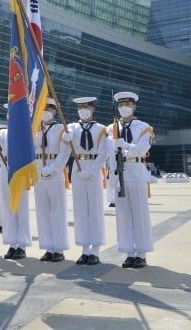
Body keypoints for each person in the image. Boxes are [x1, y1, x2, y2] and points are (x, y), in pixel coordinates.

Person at [108, 91, 155, 269]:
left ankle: (141, 253)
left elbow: (143, 148)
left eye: (127, 104)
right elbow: (108, 153)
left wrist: (126, 146)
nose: (124, 108)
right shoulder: (110, 128)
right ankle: (128, 252)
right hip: (119, 173)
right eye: (120, 105)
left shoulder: (143, 127)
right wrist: (112, 174)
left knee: (139, 213)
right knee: (123, 215)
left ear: (134, 106)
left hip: (136, 170)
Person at [62, 97, 109, 265]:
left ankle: (95, 249)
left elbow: (103, 153)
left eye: (86, 107)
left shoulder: (102, 129)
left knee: (94, 210)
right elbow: (65, 151)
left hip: (94, 170)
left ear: (93, 109)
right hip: (78, 168)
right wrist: (65, 139)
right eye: (80, 107)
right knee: (80, 211)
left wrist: (92, 170)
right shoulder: (71, 128)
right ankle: (84, 249)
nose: (83, 110)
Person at [34, 98, 71, 262]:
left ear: (55, 111)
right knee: (43, 213)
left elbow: (65, 152)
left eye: (49, 109)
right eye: (43, 108)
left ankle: (59, 248)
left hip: (55, 174)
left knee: (57, 212)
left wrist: (54, 168)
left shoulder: (62, 129)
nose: (46, 112)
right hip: (39, 174)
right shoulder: (34, 129)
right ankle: (48, 247)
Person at [0, 117, 31, 260]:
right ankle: (12, 243)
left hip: (20, 171)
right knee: (8, 210)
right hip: (5, 170)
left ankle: (22, 245)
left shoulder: (25, 131)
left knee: (21, 210)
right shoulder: (3, 132)